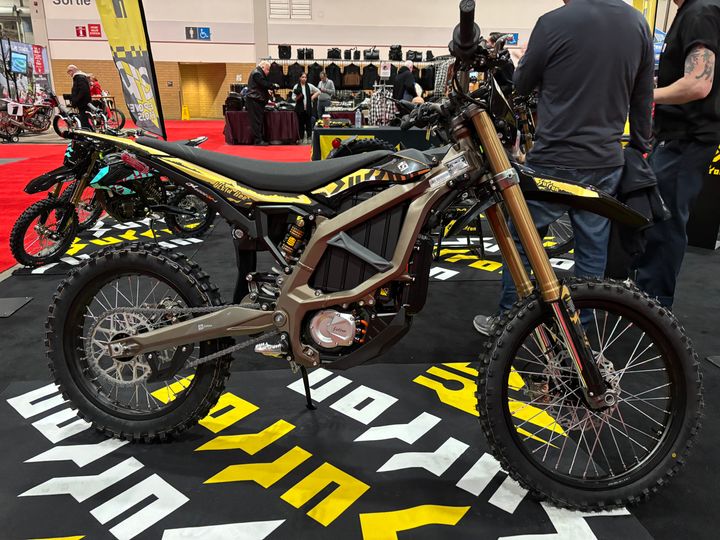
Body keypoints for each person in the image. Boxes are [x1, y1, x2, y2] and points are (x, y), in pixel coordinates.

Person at [473, 0, 654, 334]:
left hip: (552, 158)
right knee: (592, 251)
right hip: (605, 159)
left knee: (523, 242)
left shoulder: (552, 22)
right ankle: (580, 333)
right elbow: (643, 95)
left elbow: (521, 83)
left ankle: (509, 323)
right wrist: (641, 145)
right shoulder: (637, 23)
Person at [634, 0, 719, 309]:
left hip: (688, 138)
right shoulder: (690, 12)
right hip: (676, 137)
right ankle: (647, 298)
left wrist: (643, 95)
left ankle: (655, 308)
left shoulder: (701, 12)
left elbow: (698, 85)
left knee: (666, 223)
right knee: (656, 217)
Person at [246, 60, 278, 146]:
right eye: (268, 69)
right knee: (257, 121)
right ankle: (258, 141)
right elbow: (264, 84)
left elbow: (260, 86)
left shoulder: (257, 72)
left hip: (256, 100)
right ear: (263, 67)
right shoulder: (257, 73)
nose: (268, 72)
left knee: (258, 121)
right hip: (255, 100)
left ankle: (259, 139)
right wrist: (273, 86)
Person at [292, 72, 320, 144]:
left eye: (305, 77)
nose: (304, 78)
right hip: (299, 109)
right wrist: (299, 97)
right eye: (302, 77)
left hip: (308, 108)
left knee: (309, 123)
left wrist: (312, 97)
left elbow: (318, 91)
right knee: (300, 124)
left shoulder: (309, 86)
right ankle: (301, 138)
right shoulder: (296, 86)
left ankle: (309, 137)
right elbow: (293, 98)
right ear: (300, 78)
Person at [67, 64, 92, 129]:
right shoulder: (80, 77)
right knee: (84, 119)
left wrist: (76, 100)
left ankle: (88, 131)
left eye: (68, 71)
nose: (69, 73)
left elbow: (83, 90)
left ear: (72, 70)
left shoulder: (79, 78)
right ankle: (88, 130)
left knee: (84, 119)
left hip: (82, 102)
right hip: (83, 102)